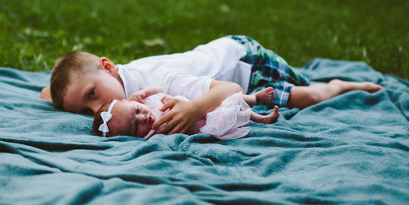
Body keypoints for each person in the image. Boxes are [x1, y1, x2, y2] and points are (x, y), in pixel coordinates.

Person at [40, 35, 383, 135]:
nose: (95, 109)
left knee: (308, 95)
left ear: (109, 67)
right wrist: (57, 95)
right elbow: (54, 92)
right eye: (84, 110)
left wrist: (194, 108)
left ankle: (338, 85)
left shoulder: (159, 78)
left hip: (244, 63)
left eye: (92, 95)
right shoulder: (116, 95)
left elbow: (230, 91)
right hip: (230, 66)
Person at [92, 85, 280, 139]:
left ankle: (254, 100)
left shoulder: (146, 101)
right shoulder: (152, 134)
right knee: (230, 112)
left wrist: (143, 92)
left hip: (197, 106)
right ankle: (261, 119)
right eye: (135, 127)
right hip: (204, 124)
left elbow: (159, 88)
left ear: (132, 101)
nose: (142, 118)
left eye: (137, 111)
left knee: (233, 101)